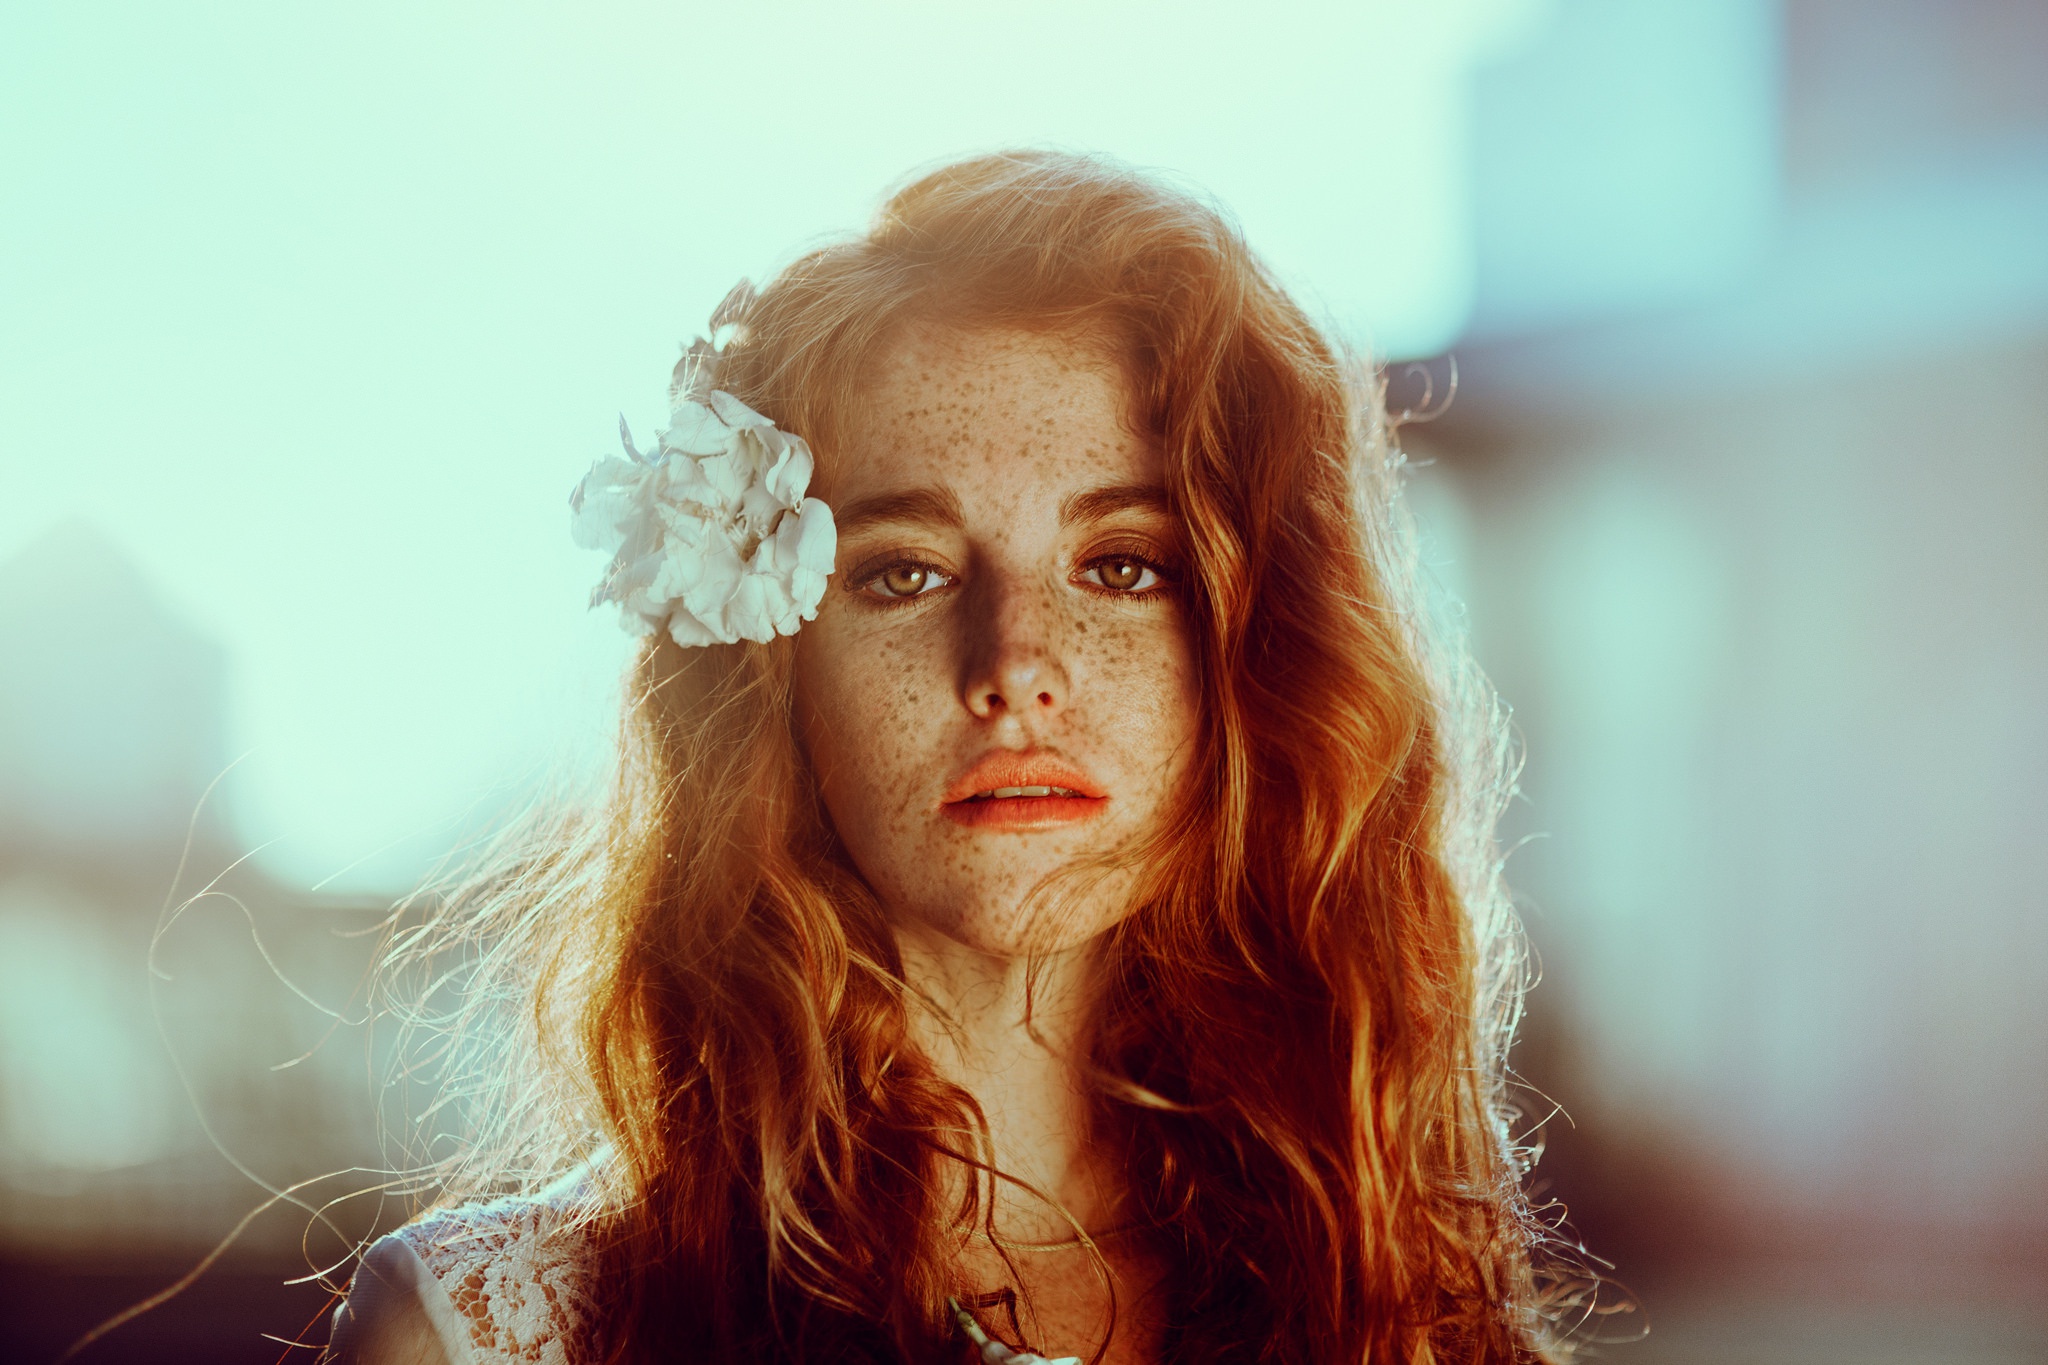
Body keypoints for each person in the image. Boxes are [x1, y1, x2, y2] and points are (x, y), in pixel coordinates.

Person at [325, 149, 1559, 1365]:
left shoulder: (1399, 1296)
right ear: (772, 668)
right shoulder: (492, 1332)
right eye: (903, 572)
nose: (1014, 665)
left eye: (1121, 565)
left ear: (1250, 654)